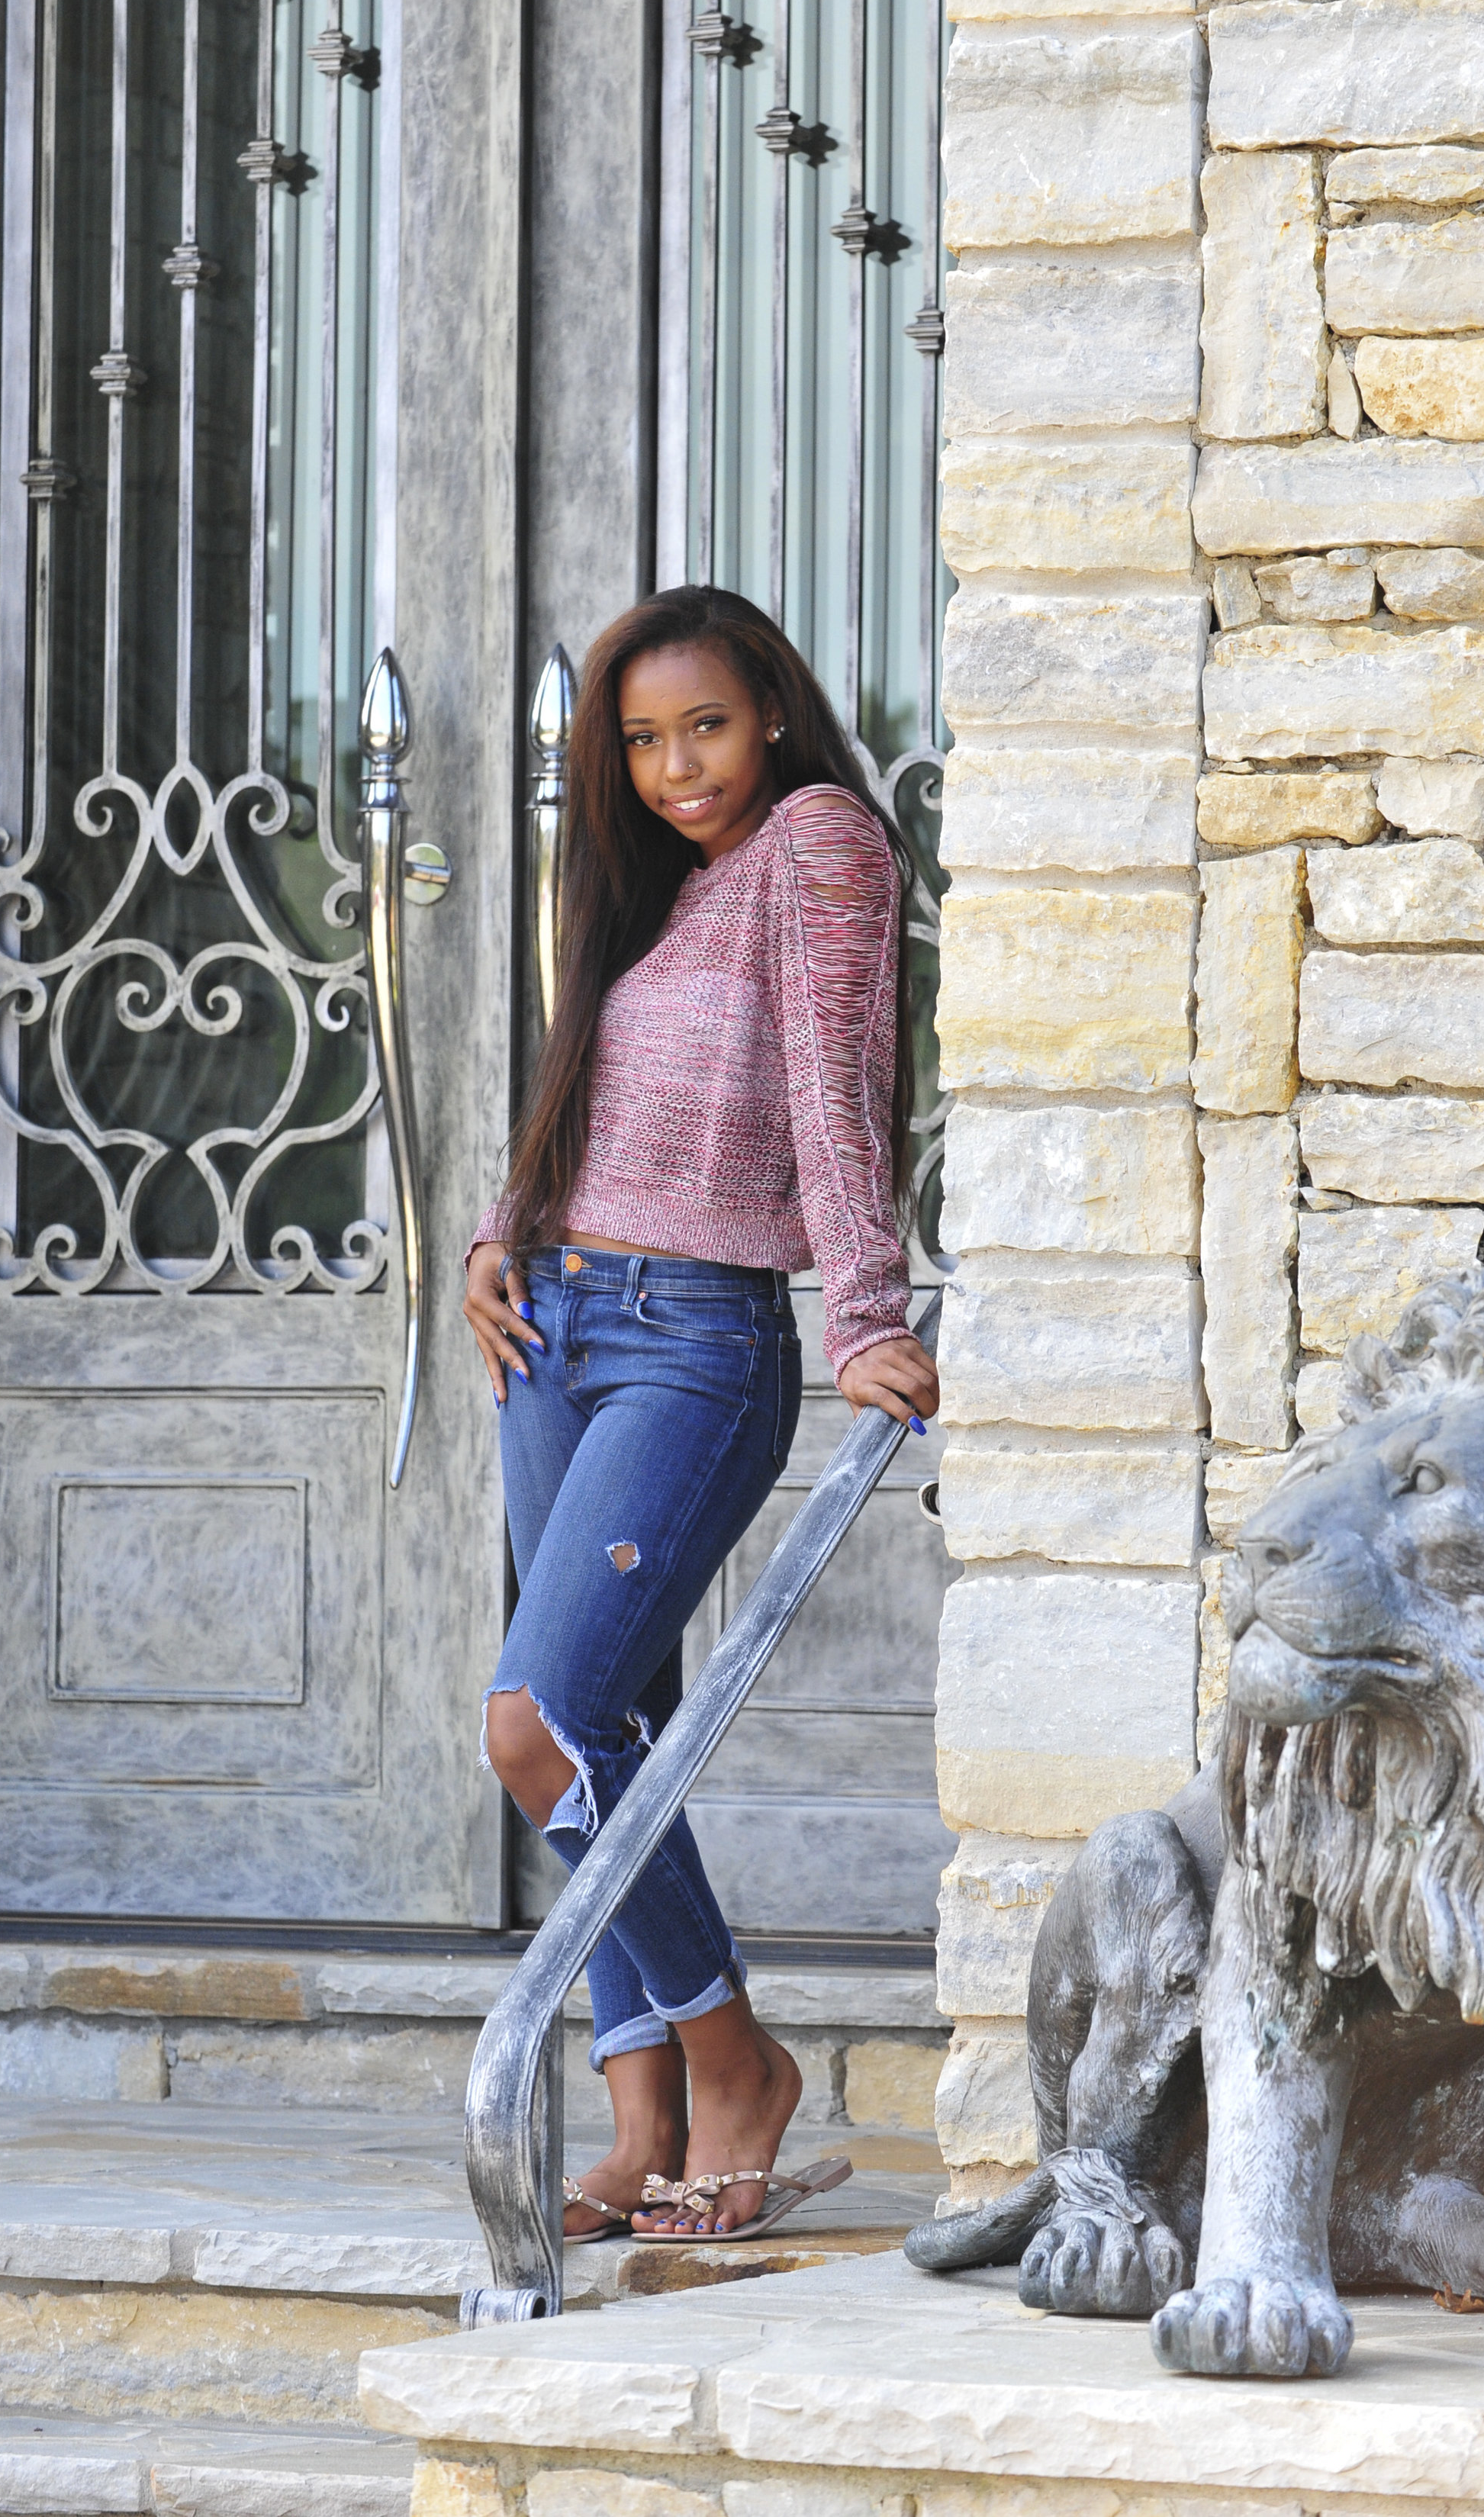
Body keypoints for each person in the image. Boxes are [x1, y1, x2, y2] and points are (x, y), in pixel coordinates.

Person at [464, 583, 939, 2242]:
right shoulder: (666, 889)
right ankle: (638, 2111)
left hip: (689, 1339)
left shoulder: (815, 840)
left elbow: (832, 1080)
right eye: (643, 741)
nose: (677, 767)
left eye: (705, 726)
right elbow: (590, 1092)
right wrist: (494, 1234)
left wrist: (866, 1311)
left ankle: (735, 2063)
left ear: (775, 713)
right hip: (557, 1324)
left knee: (543, 1717)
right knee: (608, 1730)